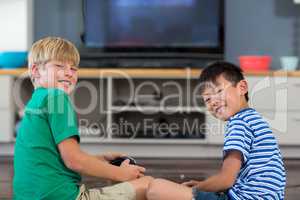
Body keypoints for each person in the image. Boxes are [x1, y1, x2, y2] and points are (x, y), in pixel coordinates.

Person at [13, 37, 152, 200]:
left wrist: (100, 160)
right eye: (59, 66)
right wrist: (121, 174)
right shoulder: (57, 97)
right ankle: (188, 195)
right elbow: (74, 161)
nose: (68, 73)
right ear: (36, 70)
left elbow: (57, 159)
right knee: (149, 184)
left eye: (73, 68)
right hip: (62, 197)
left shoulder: (36, 100)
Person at [146, 61, 286, 200]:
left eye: (219, 91)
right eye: (207, 99)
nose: (213, 102)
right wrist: (204, 185)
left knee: (156, 188)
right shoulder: (252, 118)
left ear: (242, 88)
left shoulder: (239, 123)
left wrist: (195, 189)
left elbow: (226, 180)